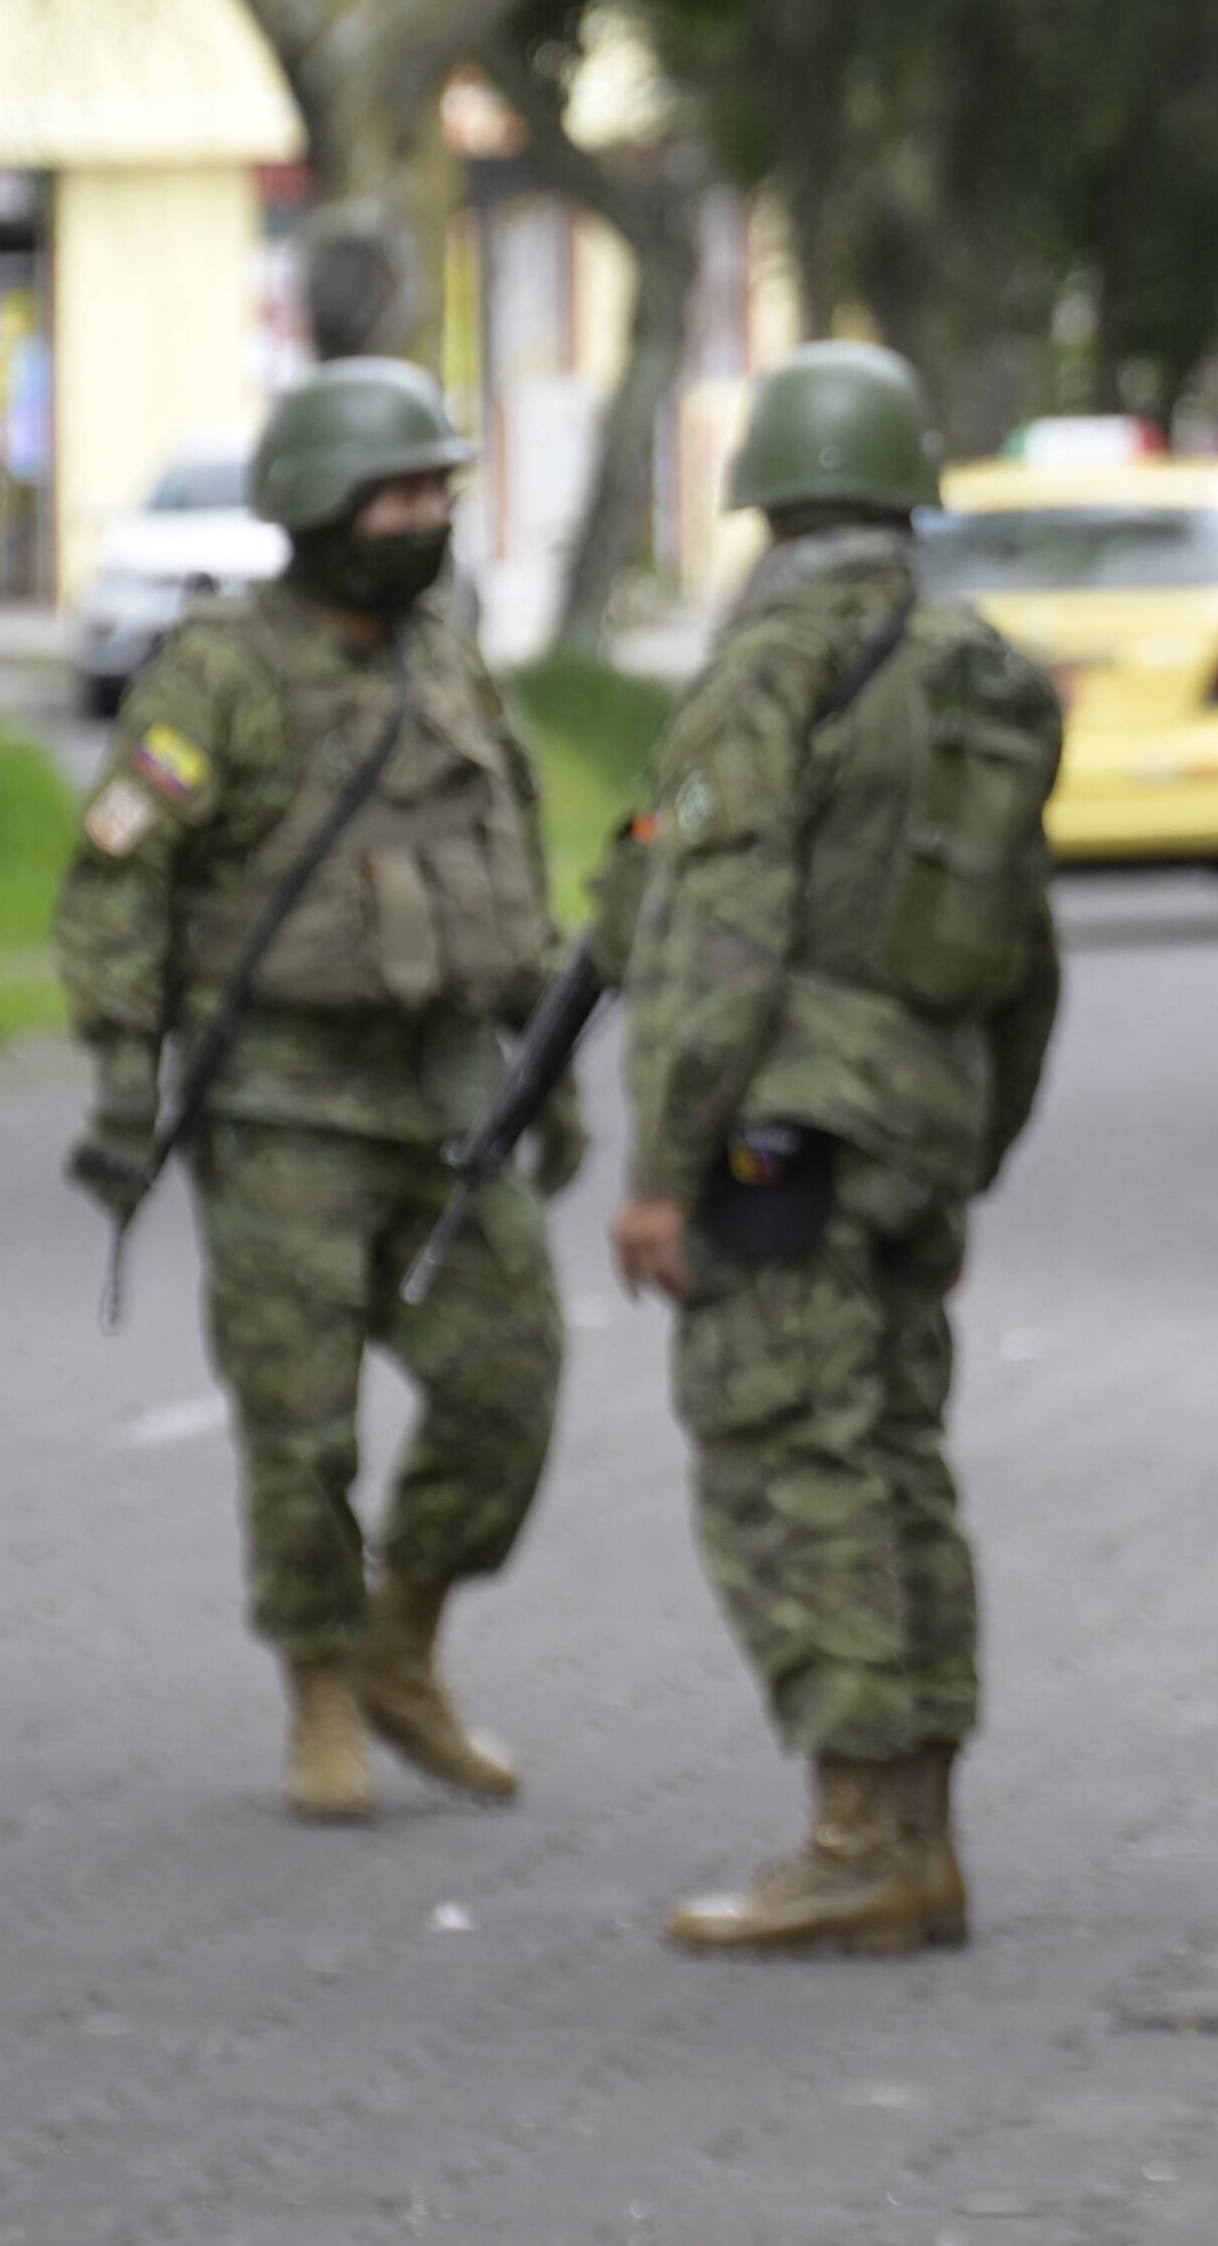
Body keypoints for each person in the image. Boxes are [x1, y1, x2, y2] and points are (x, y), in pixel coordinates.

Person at [53, 354, 569, 1821]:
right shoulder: (220, 674)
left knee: (508, 1384)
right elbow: (116, 879)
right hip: (283, 1106)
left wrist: (546, 1064)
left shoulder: (448, 662)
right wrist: (121, 1081)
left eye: (440, 493)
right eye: (399, 495)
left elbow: (508, 865)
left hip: (448, 1098)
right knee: (301, 1425)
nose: (428, 519)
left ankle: (403, 1641)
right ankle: (323, 1694)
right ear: (321, 506)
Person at [610, 342, 1064, 1957]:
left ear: (770, 503)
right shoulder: (983, 670)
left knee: (791, 1461)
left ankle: (855, 1838)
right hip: (920, 1120)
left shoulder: (770, 666)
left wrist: (662, 1166)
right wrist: (971, 1137)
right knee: (892, 1456)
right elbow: (1028, 949)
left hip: (786, 1129)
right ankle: (921, 1836)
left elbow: (717, 935)